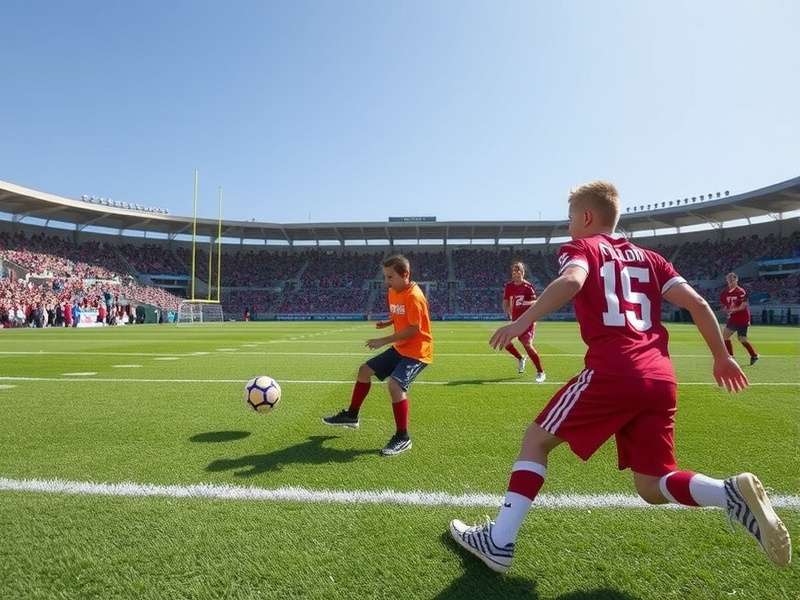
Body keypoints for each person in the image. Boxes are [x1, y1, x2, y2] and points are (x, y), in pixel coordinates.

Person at [449, 181, 790, 572]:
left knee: (536, 440)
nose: (569, 225)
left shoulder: (582, 248)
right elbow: (697, 302)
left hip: (614, 371)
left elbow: (573, 281)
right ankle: (728, 493)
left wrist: (522, 320)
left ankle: (499, 541)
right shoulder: (652, 258)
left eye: (571, 217)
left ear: (587, 217)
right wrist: (720, 357)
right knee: (652, 483)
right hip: (660, 377)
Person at [322, 254, 433, 456]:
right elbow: (399, 314)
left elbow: (413, 329)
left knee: (395, 385)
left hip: (417, 352)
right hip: (401, 348)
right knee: (364, 371)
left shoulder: (414, 296)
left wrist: (383, 340)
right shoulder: (393, 291)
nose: (386, 282)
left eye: (390, 277)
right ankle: (352, 416)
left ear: (405, 274)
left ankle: (403, 437)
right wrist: (388, 322)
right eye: (385, 277)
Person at [502, 261, 545, 382]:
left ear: (523, 273)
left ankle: (540, 372)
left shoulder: (527, 286)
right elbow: (506, 301)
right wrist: (506, 310)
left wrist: (525, 303)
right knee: (504, 342)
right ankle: (520, 358)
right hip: (516, 320)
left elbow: (535, 302)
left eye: (518, 272)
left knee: (527, 344)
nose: (515, 274)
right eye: (514, 272)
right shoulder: (509, 286)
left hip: (527, 320)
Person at [720, 272, 759, 365]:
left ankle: (754, 355)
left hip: (742, 318)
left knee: (742, 339)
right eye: (729, 279)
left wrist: (732, 310)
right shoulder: (724, 292)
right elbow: (726, 305)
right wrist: (726, 310)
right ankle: (731, 356)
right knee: (725, 336)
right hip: (733, 318)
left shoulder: (741, 291)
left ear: (736, 280)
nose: (730, 281)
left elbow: (743, 306)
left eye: (732, 279)